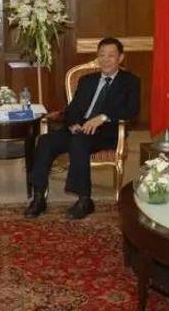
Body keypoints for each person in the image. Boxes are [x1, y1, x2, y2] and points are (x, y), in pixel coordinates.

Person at [25, 37, 140, 220]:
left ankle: (84, 199)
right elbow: (73, 108)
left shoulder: (130, 81)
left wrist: (102, 117)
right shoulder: (87, 80)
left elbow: (131, 110)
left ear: (120, 58)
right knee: (45, 141)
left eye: (111, 56)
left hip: (106, 131)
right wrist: (73, 123)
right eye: (101, 55)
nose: (105, 59)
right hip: (79, 128)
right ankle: (39, 197)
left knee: (80, 141)